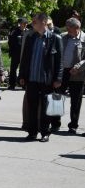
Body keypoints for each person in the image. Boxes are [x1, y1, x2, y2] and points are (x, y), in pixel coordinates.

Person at [19, 13, 63, 141]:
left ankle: (45, 132)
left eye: (34, 22)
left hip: (47, 80)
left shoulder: (55, 38)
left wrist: (58, 79)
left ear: (43, 22)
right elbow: (25, 59)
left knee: (45, 108)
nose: (32, 24)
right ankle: (32, 132)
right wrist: (22, 75)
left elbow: (59, 61)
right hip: (31, 79)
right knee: (32, 107)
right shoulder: (31, 38)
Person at [62, 18, 85, 134]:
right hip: (62, 72)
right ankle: (55, 123)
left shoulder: (84, 39)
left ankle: (73, 125)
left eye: (69, 27)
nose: (67, 29)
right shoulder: (63, 37)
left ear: (77, 28)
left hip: (77, 73)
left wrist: (78, 67)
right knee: (57, 97)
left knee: (76, 100)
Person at [7, 18, 29, 90]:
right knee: (13, 69)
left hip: (25, 54)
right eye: (23, 23)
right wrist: (12, 51)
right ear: (20, 24)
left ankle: (24, 84)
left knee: (24, 70)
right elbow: (10, 42)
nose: (25, 25)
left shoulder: (28, 32)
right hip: (16, 54)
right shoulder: (14, 31)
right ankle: (12, 84)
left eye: (26, 23)